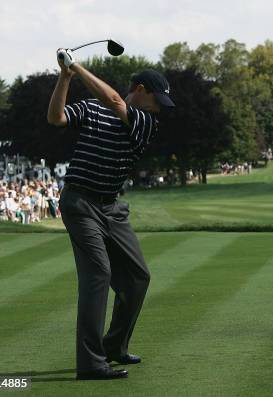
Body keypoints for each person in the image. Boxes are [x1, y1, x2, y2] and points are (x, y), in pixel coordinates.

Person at [47, 48, 174, 381]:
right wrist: (65, 77)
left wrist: (76, 65)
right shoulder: (91, 108)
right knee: (99, 275)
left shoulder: (145, 122)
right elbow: (56, 118)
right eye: (157, 99)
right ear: (142, 90)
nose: (160, 107)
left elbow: (117, 101)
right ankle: (90, 363)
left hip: (111, 208)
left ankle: (113, 346)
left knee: (137, 278)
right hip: (79, 203)